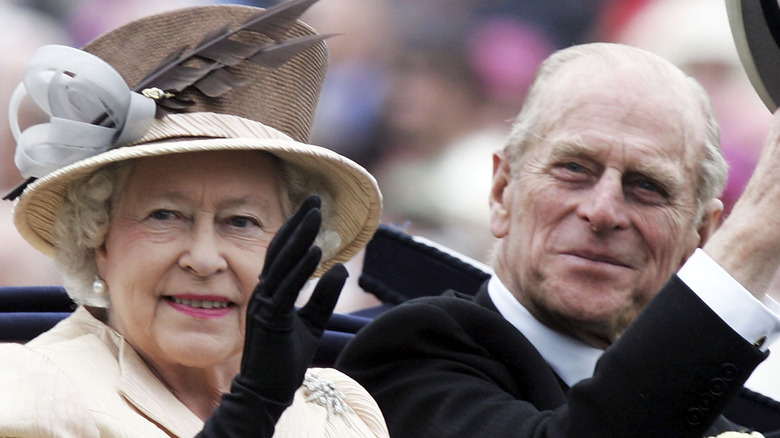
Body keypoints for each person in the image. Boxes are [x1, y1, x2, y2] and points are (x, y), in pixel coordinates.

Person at [336, 41, 780, 437]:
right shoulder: (408, 355)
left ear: (699, 235)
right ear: (502, 191)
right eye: (574, 169)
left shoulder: (717, 418)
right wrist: (753, 238)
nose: (603, 211)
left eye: (647, 186)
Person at [0, 2, 388, 437]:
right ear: (98, 240)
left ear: (292, 243)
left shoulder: (338, 410)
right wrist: (253, 407)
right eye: (164, 215)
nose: (204, 260)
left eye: (241, 222)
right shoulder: (31, 390)